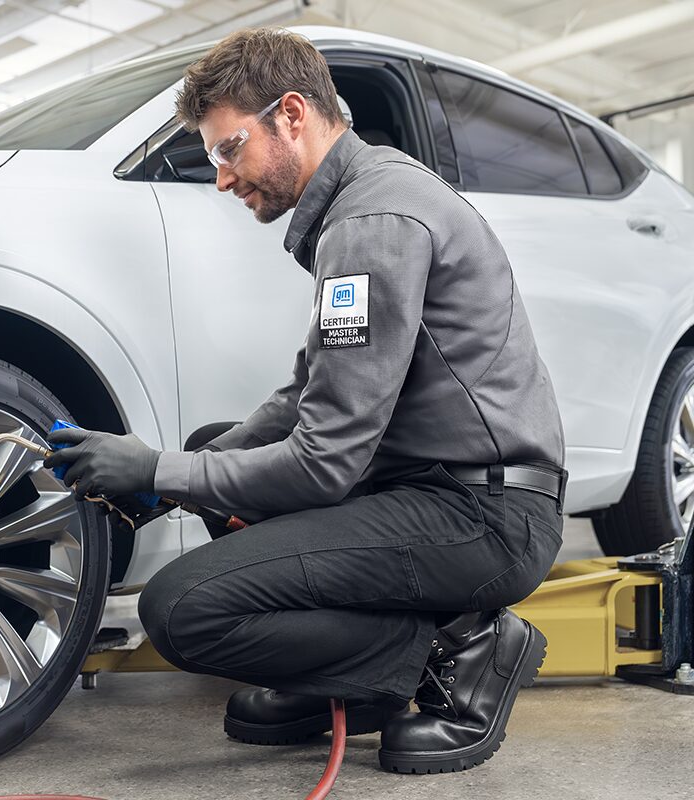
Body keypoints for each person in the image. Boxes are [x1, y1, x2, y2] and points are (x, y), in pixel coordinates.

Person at [43, 27, 567, 774]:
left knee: (178, 609)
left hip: (481, 515)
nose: (221, 177)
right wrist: (185, 468)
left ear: (291, 114)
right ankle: (352, 683)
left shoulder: (372, 224)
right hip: (429, 488)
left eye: (229, 149)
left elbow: (323, 465)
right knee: (218, 440)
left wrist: (158, 470)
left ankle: (457, 652)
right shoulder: (364, 198)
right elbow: (304, 392)